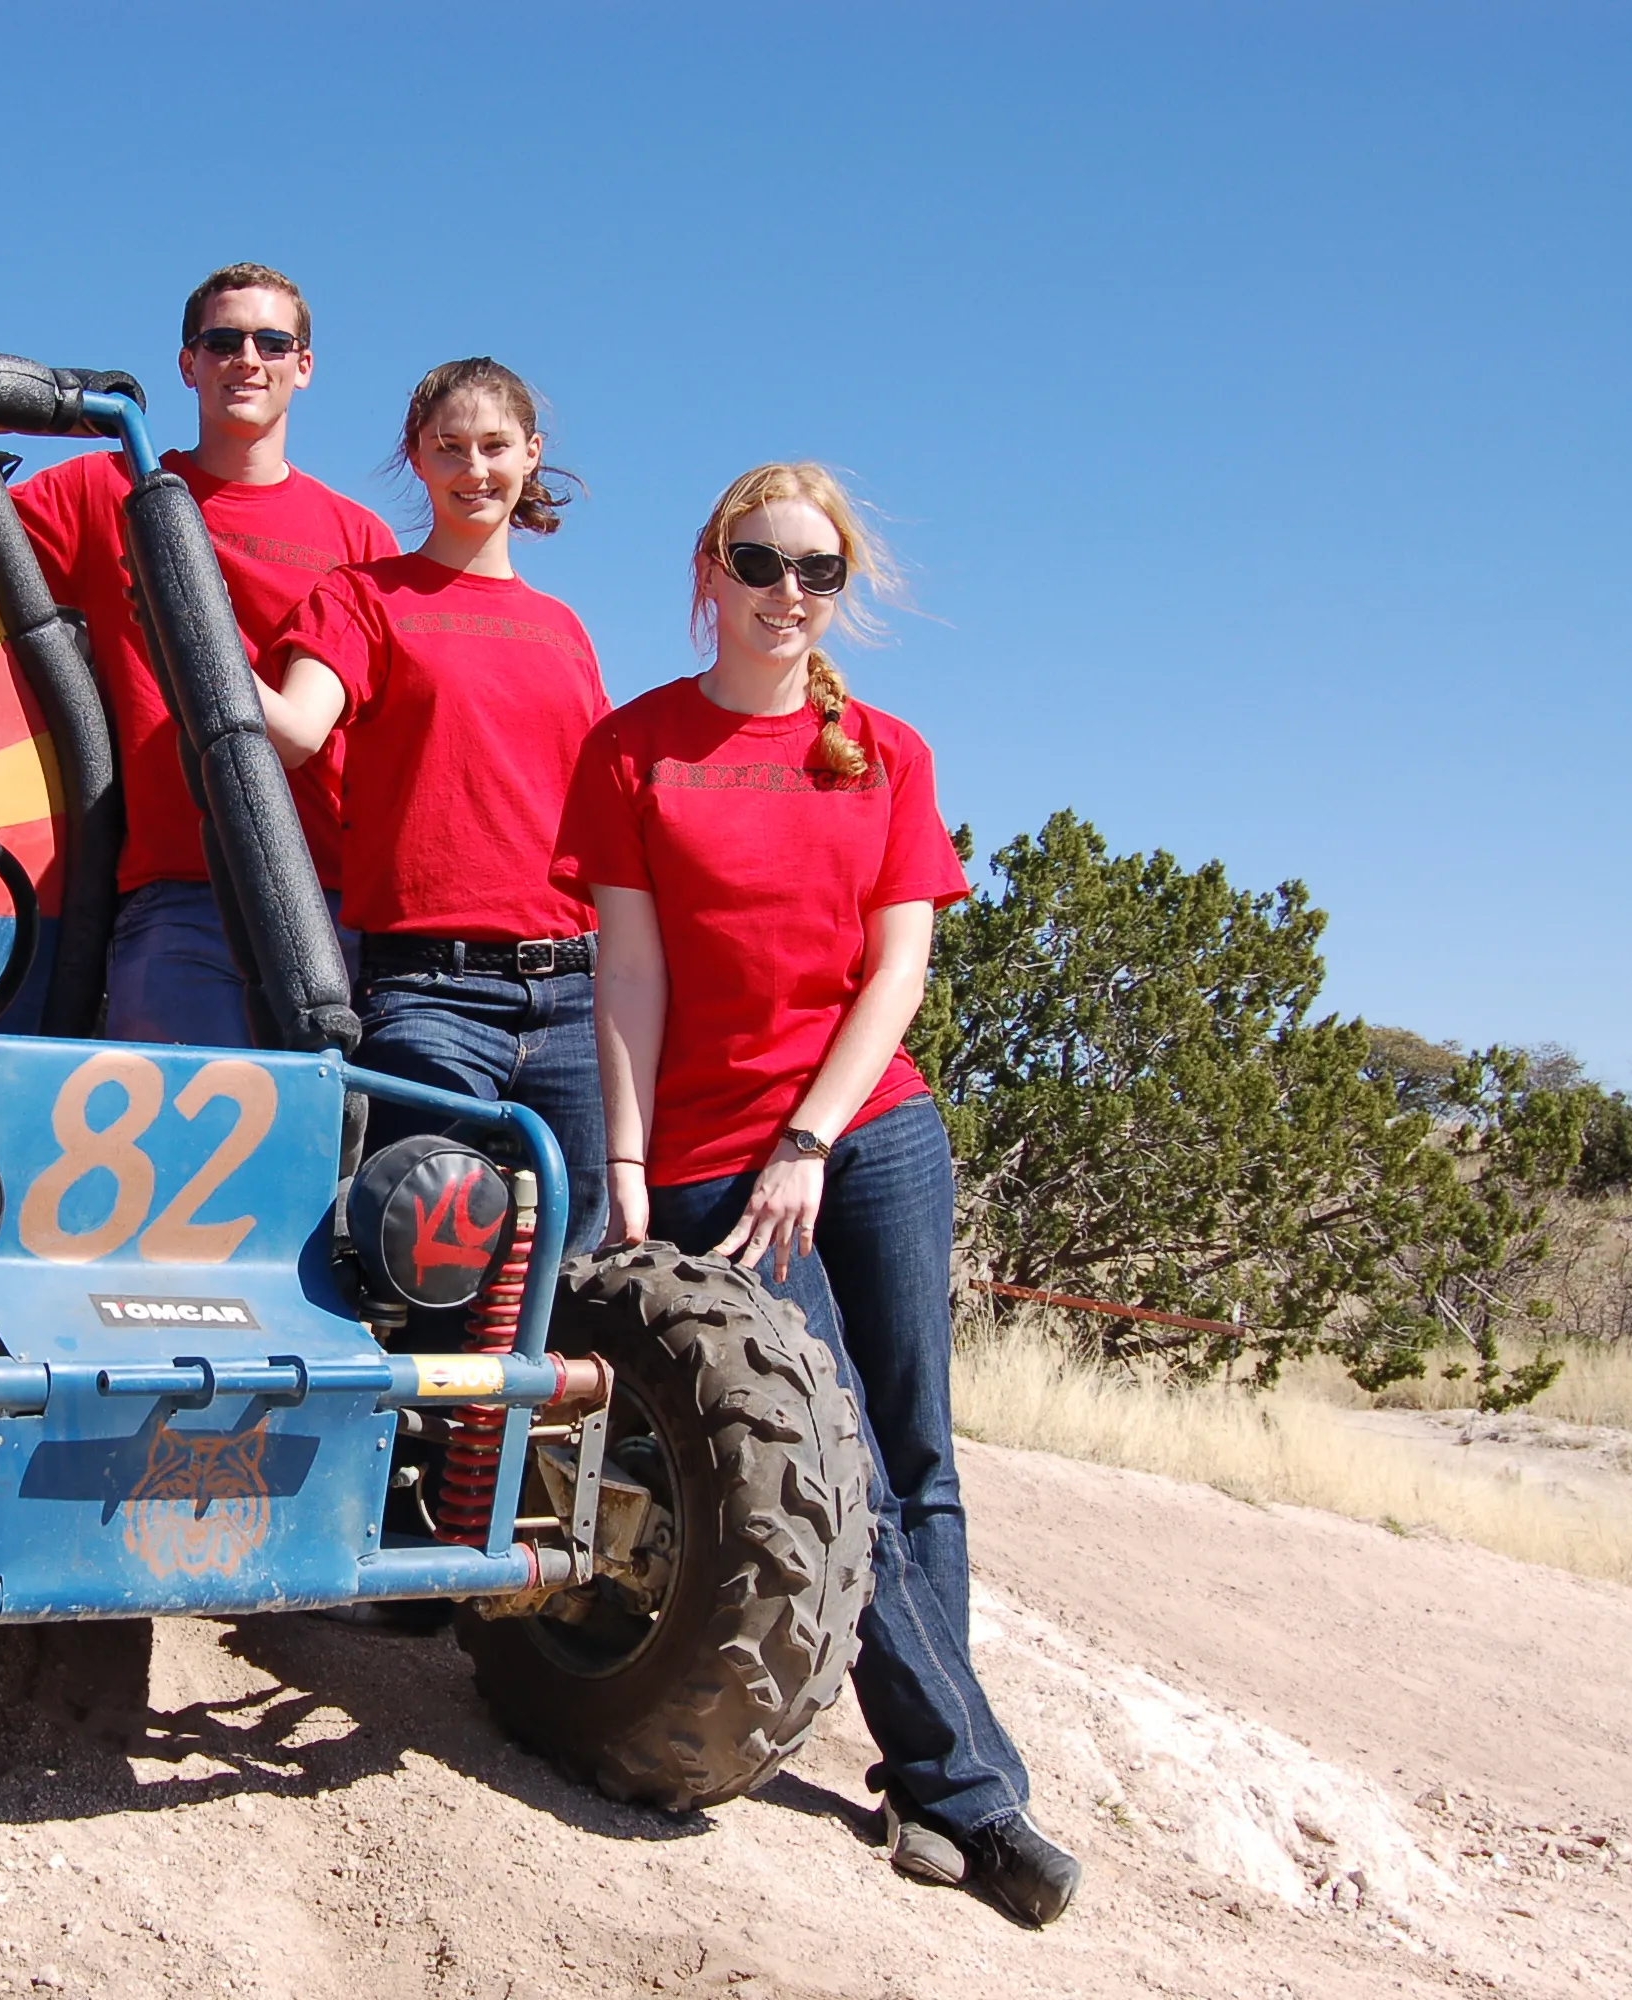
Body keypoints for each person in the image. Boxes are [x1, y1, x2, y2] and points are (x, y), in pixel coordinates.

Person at [546, 462, 1080, 1926]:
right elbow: (630, 974)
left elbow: (898, 968)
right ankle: (979, 1794)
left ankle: (923, 1782)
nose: (789, 590)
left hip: (866, 1136)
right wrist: (634, 1168)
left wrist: (817, 1138)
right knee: (832, 1457)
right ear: (708, 568)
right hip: (718, 1157)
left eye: (818, 568)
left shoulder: (885, 753)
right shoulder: (636, 747)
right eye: (760, 559)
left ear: (843, 588)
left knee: (918, 1457)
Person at [255, 358, 610, 1254]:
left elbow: (605, 821)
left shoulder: (565, 629)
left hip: (575, 990)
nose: (474, 470)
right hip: (430, 991)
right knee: (421, 1254)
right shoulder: (362, 597)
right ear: (417, 457)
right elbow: (297, 727)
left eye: (494, 447)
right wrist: (193, 647)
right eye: (449, 448)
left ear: (531, 455)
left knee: (567, 1265)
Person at [13, 262, 397, 1047]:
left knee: (318, 1156)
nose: (246, 358)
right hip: (176, 893)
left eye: (271, 341)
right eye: (221, 341)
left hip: (326, 897)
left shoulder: (360, 538)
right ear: (187, 364)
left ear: (304, 365)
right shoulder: (104, 490)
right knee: (173, 1157)